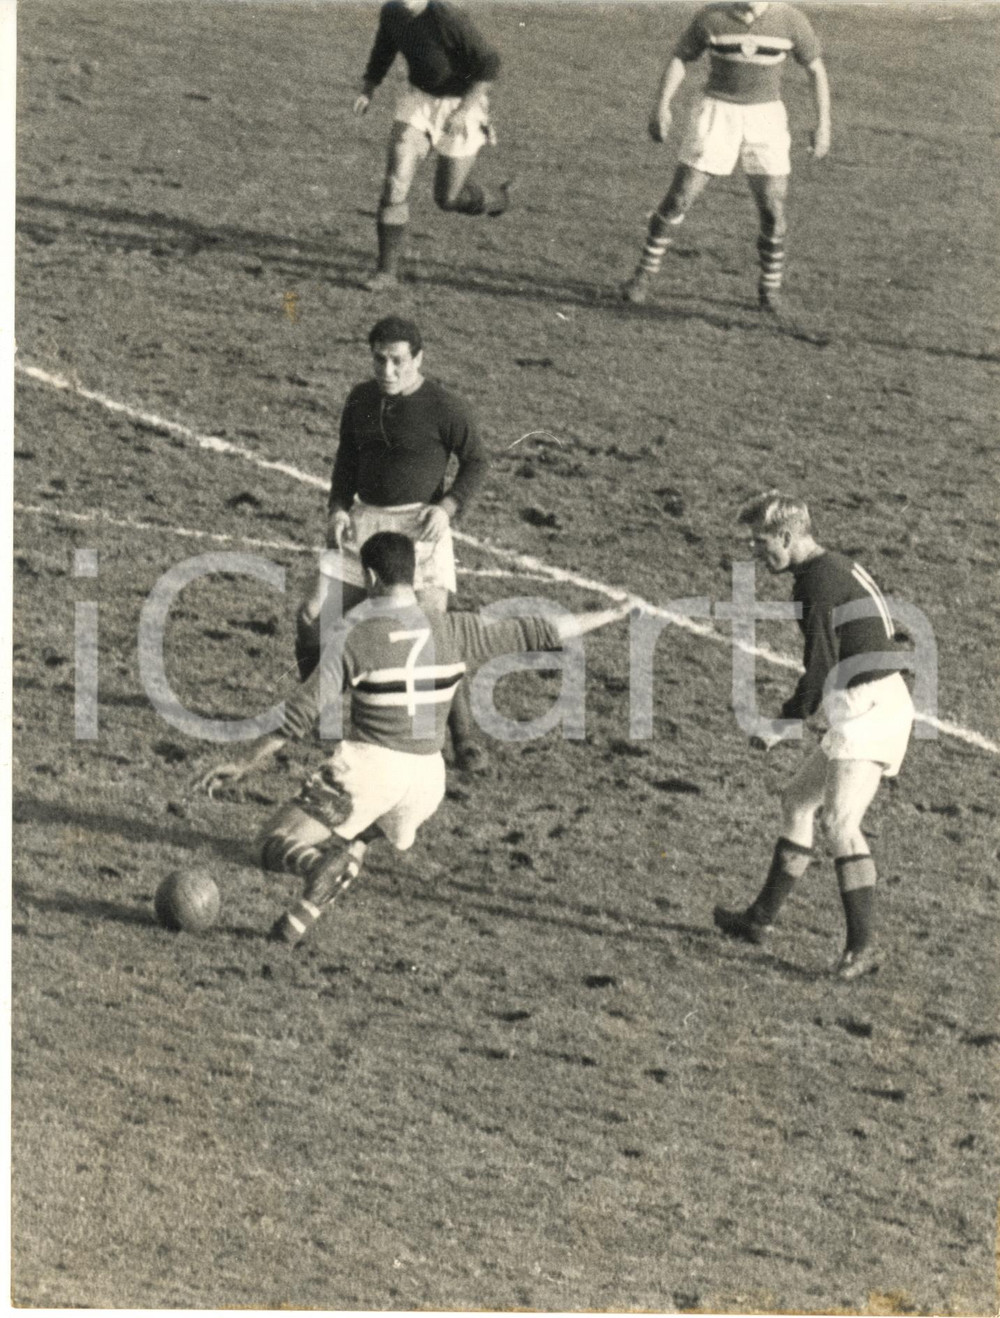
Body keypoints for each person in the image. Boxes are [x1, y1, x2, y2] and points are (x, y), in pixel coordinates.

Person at [197, 531, 632, 948]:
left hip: (370, 772)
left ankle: (315, 866)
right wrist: (611, 614)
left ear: (369, 579)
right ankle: (294, 926)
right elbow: (542, 629)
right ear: (415, 577)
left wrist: (244, 763)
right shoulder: (457, 629)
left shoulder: (354, 638)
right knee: (360, 837)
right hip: (427, 782)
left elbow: (299, 715)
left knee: (271, 842)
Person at [714, 492, 914, 980]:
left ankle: (863, 948)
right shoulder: (827, 567)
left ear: (787, 535)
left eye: (762, 543)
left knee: (840, 824)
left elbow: (820, 668)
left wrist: (785, 722)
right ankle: (759, 919)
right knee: (798, 801)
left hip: (870, 706)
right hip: (863, 700)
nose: (759, 554)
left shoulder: (815, 584)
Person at [296, 315, 489, 772]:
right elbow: (346, 458)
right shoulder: (360, 399)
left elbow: (477, 461)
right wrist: (338, 508)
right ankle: (316, 720)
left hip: (419, 529)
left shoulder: (443, 405)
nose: (387, 370)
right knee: (312, 620)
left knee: (430, 633)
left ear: (418, 359)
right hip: (363, 522)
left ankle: (463, 740)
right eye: (379, 359)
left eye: (397, 361)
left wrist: (447, 508)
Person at [621, 1, 831, 313]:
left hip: (765, 117)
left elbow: (815, 69)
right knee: (681, 197)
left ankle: (769, 291)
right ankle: (643, 276)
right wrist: (661, 105)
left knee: (773, 205)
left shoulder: (791, 20)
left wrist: (823, 125)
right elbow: (681, 57)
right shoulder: (711, 17)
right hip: (717, 112)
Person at [353, 0, 511, 290]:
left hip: (460, 106)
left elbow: (490, 63)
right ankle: (386, 273)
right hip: (418, 102)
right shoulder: (391, 12)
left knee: (447, 198)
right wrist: (368, 89)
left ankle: (497, 199)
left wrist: (463, 110)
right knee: (395, 181)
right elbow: (384, 48)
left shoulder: (446, 16)